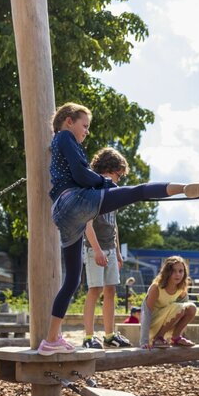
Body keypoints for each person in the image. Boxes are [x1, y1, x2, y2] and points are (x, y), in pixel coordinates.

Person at [39, 102, 199, 356]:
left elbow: (77, 175)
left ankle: (51, 340)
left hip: (64, 214)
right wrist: (106, 182)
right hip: (74, 201)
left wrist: (104, 186)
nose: (86, 132)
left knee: (72, 279)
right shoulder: (64, 137)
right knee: (139, 191)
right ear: (68, 121)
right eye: (84, 126)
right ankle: (185, 188)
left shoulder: (60, 145)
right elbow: (81, 175)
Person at [81, 147, 132, 349]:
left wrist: (117, 252)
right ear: (107, 170)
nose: (118, 180)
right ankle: (88, 336)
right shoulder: (93, 192)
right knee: (95, 290)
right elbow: (87, 224)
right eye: (117, 175)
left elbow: (114, 225)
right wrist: (98, 250)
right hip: (95, 249)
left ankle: (110, 334)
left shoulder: (112, 193)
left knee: (111, 290)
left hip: (110, 249)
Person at [139, 256, 197, 349]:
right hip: (153, 324)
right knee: (179, 308)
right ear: (167, 272)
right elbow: (146, 313)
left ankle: (176, 338)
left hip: (167, 322)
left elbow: (184, 312)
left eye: (180, 271)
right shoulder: (156, 288)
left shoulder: (181, 289)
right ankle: (158, 338)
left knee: (191, 308)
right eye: (173, 271)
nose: (177, 274)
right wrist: (144, 341)